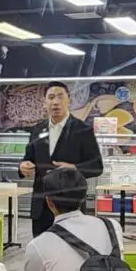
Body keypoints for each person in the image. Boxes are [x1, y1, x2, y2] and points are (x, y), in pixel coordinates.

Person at [19, 81, 103, 237]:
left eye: (60, 97)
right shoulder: (38, 130)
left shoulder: (82, 130)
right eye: (51, 97)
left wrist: (74, 168)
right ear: (44, 102)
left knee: (71, 247)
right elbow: (28, 158)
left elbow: (97, 166)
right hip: (41, 205)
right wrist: (23, 166)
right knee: (41, 246)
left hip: (70, 206)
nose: (55, 102)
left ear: (68, 100)